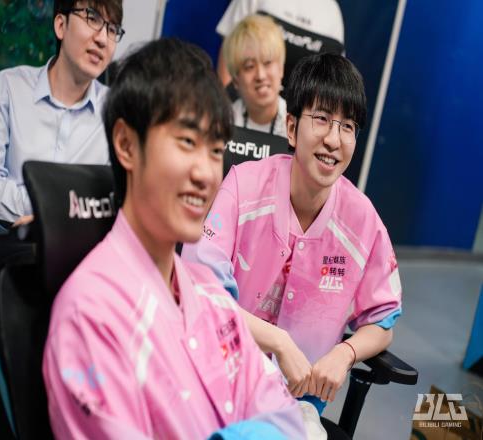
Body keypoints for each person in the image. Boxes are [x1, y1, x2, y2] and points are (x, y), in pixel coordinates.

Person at [42, 38, 306, 439]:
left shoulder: (212, 295)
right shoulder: (91, 316)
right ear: (126, 144)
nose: (206, 173)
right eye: (187, 142)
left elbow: (283, 415)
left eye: (215, 150)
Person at [182, 53, 402, 414]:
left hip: (295, 405)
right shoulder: (243, 187)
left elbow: (383, 320)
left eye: (348, 126)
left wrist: (346, 353)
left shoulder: (363, 220)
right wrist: (278, 342)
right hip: (217, 383)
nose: (334, 139)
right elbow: (200, 292)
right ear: (291, 127)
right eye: (322, 119)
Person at [0, 0, 124, 225]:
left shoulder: (116, 113)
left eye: (113, 29)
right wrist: (55, 211)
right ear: (60, 25)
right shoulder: (7, 89)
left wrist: (49, 214)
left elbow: (113, 202)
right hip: (7, 238)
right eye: (93, 18)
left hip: (81, 246)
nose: (103, 39)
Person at [216, 0, 345, 89]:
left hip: (298, 116)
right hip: (244, 108)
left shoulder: (332, 12)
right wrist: (226, 110)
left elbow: (334, 80)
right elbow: (229, 51)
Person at [223, 14, 287, 138]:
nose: (260, 75)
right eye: (249, 66)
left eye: (267, 62)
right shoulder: (222, 124)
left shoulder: (299, 126)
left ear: (281, 68)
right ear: (235, 80)